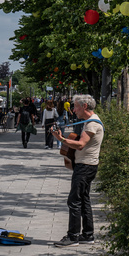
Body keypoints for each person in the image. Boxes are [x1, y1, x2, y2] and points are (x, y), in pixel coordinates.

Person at [51, 94, 104, 246]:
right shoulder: (91, 122)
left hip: (85, 166)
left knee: (74, 200)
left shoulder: (92, 124)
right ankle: (88, 235)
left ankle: (73, 236)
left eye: (75, 106)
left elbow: (80, 144)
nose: (73, 110)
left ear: (84, 106)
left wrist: (60, 139)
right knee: (84, 199)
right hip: (88, 165)